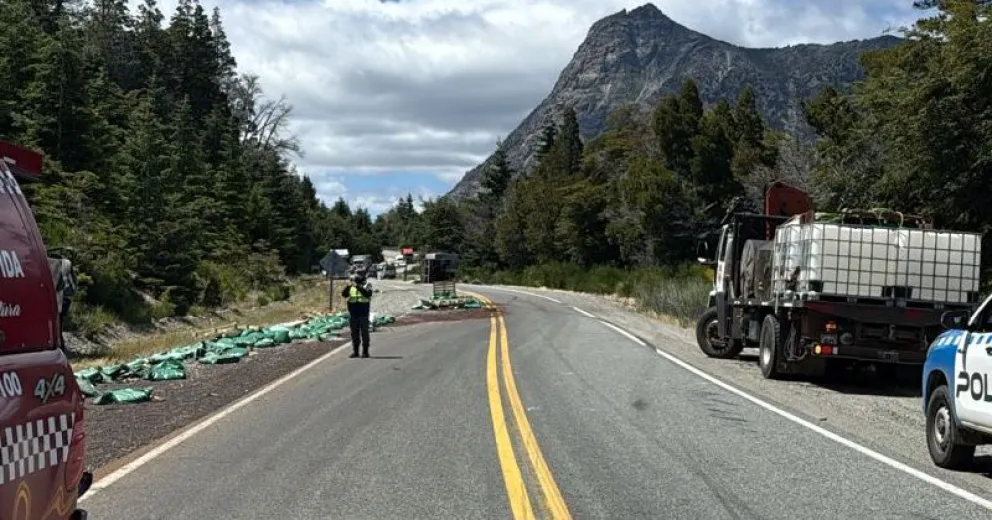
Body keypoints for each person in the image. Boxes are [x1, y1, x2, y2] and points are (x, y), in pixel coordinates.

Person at [47, 255, 77, 351]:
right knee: (57, 330)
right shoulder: (64, 264)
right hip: (58, 304)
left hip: (39, 304)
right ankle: (59, 351)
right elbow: (71, 289)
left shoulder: (36, 260)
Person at [342, 271, 373, 358]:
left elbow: (367, 294)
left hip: (363, 314)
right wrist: (348, 286)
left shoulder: (367, 285)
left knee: (364, 333)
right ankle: (355, 352)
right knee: (354, 334)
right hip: (353, 314)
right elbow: (344, 294)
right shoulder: (351, 287)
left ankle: (365, 352)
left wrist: (357, 287)